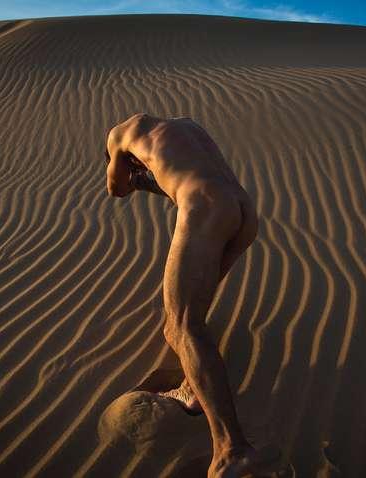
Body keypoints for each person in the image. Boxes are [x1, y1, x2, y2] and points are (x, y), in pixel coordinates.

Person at [104, 113, 275, 477]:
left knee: (182, 328)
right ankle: (191, 388)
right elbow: (189, 174)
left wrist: (133, 178)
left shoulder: (118, 136)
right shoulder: (187, 127)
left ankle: (232, 448)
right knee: (183, 323)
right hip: (243, 211)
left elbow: (116, 188)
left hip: (205, 207)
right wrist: (156, 182)